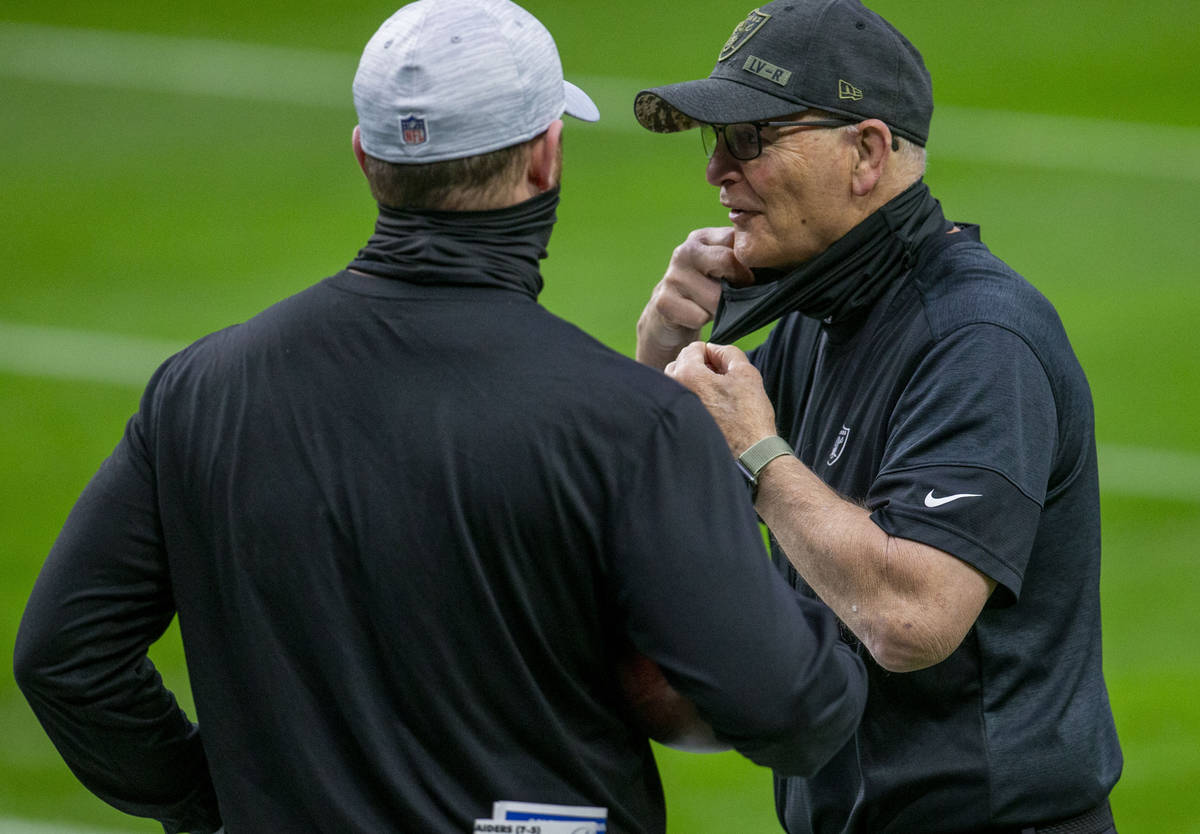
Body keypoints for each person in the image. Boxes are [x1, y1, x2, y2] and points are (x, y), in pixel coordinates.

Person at [13, 1, 869, 832]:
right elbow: (788, 709)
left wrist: (212, 804)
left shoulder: (199, 390)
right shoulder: (628, 424)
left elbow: (66, 659)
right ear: (545, 156)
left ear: (366, 157)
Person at [631, 1, 1122, 832]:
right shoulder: (815, 321)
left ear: (866, 153)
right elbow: (644, 537)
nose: (716, 170)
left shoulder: (977, 337)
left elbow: (911, 618)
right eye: (711, 142)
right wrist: (661, 348)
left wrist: (757, 449)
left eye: (750, 138)